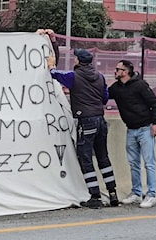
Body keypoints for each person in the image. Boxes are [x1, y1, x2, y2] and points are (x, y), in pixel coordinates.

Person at [46, 48, 118, 209]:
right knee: (103, 157)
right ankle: (113, 193)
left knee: (85, 157)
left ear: (79, 61)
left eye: (75, 58)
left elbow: (56, 75)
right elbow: (105, 98)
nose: (74, 60)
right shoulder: (100, 77)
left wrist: (51, 66)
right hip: (100, 119)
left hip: (86, 120)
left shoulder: (74, 76)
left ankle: (95, 195)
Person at [108, 60, 156, 208]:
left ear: (125, 72)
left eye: (118, 69)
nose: (115, 71)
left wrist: (155, 123)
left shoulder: (140, 85)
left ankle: (151, 194)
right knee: (133, 163)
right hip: (130, 129)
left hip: (145, 128)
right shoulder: (116, 88)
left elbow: (155, 103)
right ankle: (136, 193)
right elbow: (103, 95)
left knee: (149, 163)